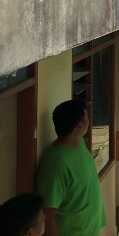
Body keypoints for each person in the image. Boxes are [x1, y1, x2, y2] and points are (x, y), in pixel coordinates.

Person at [36, 99, 106, 236]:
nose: (89, 121)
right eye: (86, 117)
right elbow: (48, 214)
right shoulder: (56, 162)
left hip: (91, 229)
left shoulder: (78, 143)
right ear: (79, 126)